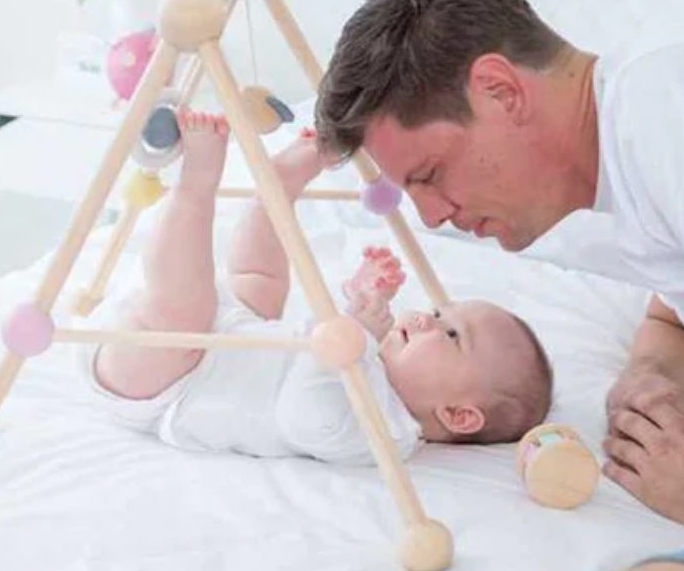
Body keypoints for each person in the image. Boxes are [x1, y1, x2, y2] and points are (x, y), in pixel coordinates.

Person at [314, 0, 684, 571]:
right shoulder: (621, 183)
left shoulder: (671, 113)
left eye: (429, 176)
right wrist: (651, 378)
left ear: (499, 89)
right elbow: (679, 312)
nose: (432, 215)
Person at [78, 109, 552, 468]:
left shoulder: (387, 431)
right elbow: (329, 348)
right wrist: (363, 301)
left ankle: (194, 188)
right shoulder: (382, 370)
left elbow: (305, 414)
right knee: (261, 287)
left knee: (182, 313)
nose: (427, 318)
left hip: (160, 386)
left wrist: (355, 334)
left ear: (459, 415)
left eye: (451, 336)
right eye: (440, 313)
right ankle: (276, 193)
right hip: (226, 337)